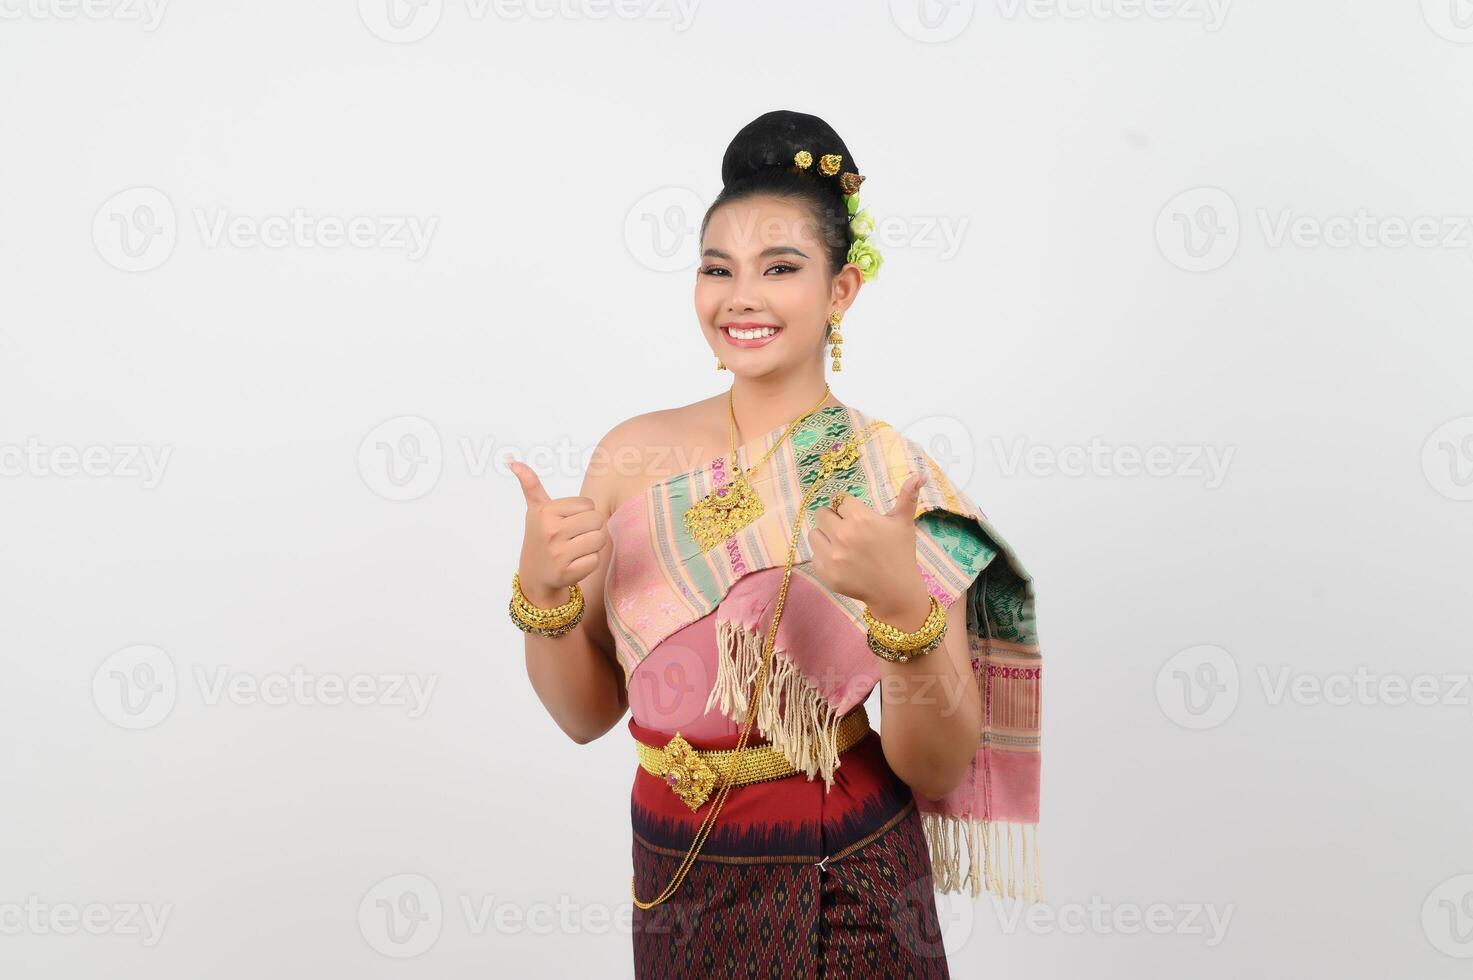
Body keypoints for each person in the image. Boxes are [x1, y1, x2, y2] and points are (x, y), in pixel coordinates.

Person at [508, 110, 1043, 978]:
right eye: (717, 269)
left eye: (781, 269)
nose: (741, 296)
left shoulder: (883, 476)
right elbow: (585, 716)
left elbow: (937, 764)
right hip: (671, 871)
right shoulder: (629, 456)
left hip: (842, 874)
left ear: (841, 291)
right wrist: (542, 599)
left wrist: (900, 606)